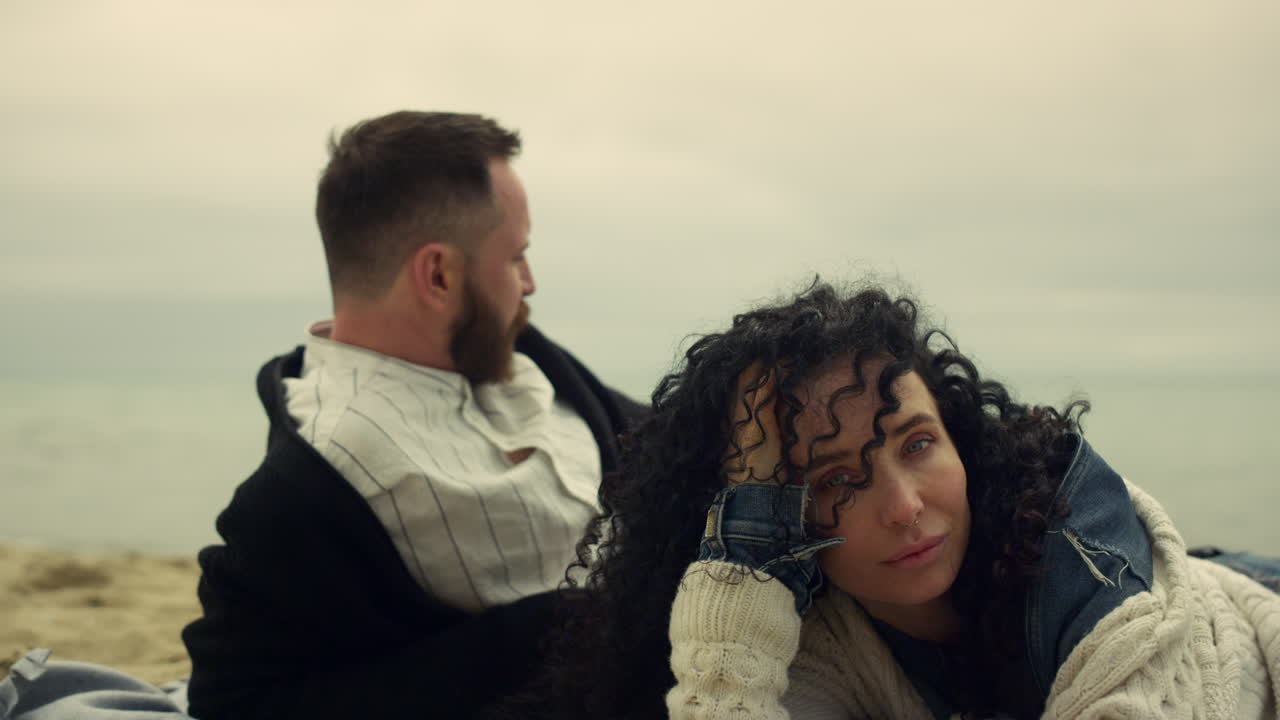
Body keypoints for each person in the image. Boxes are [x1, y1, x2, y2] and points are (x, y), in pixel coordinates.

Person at [543, 279, 1280, 719]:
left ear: (958, 434)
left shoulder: (1086, 567)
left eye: (918, 443)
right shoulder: (822, 629)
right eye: (835, 480)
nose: (902, 506)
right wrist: (748, 541)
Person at [180, 111, 645, 720]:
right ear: (438, 274)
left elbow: (666, 436)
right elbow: (235, 702)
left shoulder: (528, 358)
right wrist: (560, 628)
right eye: (516, 257)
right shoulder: (312, 485)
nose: (530, 282)